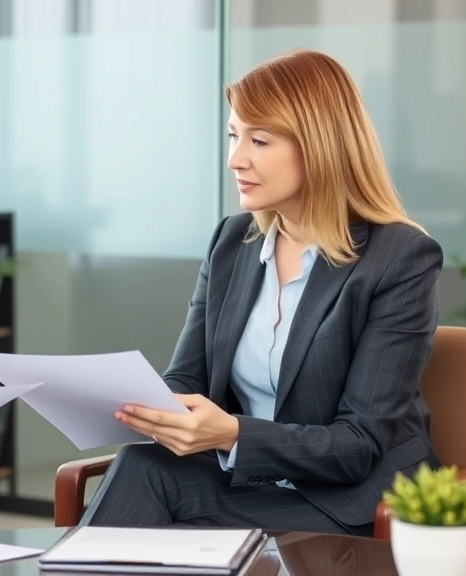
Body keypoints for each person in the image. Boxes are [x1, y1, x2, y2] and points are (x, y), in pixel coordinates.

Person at [81, 49, 442, 536]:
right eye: (234, 135)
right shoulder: (233, 242)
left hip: (350, 499)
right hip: (254, 481)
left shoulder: (400, 258)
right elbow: (187, 377)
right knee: (142, 464)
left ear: (319, 146)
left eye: (259, 140)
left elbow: (358, 444)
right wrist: (139, 407)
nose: (236, 158)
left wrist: (231, 434)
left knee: (178, 538)